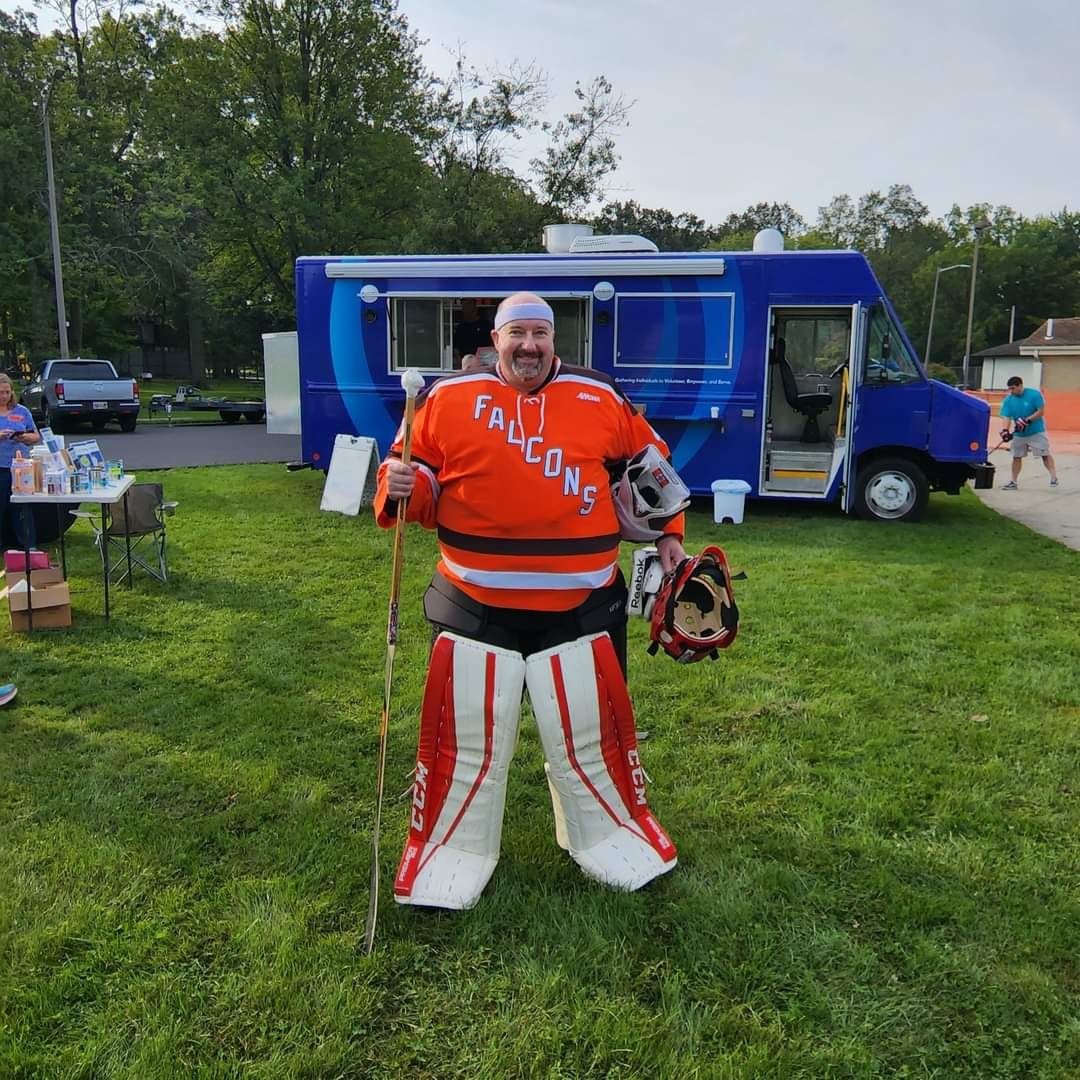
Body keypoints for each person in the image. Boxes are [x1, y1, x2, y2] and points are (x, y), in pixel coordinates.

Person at [375, 291, 688, 911]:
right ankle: (453, 846)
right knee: (466, 737)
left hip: (584, 611)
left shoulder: (600, 397)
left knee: (588, 732)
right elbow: (412, 471)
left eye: (539, 334)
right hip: (472, 607)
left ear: (554, 341)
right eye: (515, 333)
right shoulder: (443, 399)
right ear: (495, 340)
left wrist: (671, 537)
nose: (528, 346)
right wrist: (401, 483)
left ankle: (600, 834)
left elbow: (654, 469)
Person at [0, 373, 42, 549]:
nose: (4, 396)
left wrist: (24, 437)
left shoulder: (22, 411)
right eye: (0, 392)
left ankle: (28, 546)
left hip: (21, 467)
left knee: (23, 508)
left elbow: (36, 436)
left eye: (7, 392)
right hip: (0, 467)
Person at [999, 376, 1058, 489]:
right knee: (1016, 456)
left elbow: (1041, 412)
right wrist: (1005, 430)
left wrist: (1027, 420)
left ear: (1020, 385)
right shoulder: (1008, 400)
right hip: (1019, 434)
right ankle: (1013, 482)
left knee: (1044, 454)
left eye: (1013, 388)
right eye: (1009, 389)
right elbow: (1006, 416)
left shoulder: (1034, 394)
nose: (1011, 391)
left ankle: (1053, 477)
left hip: (1036, 432)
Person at [452, 299, 493, 364]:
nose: (466, 310)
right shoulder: (461, 327)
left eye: (468, 307)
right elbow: (456, 347)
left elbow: (493, 345)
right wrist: (459, 362)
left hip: (484, 363)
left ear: (475, 308)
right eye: (464, 308)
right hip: (466, 364)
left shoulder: (485, 325)